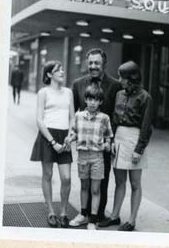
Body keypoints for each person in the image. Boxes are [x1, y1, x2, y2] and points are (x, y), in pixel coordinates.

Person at [98, 61, 153, 231]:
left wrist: (139, 150)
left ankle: (132, 220)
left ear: (131, 78)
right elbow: (114, 120)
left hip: (134, 139)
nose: (120, 80)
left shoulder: (145, 97)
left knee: (135, 183)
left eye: (122, 77)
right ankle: (114, 217)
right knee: (119, 182)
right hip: (119, 139)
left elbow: (146, 127)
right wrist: (112, 140)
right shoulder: (119, 94)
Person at [72, 48, 121, 223]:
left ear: (104, 64)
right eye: (90, 62)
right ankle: (84, 212)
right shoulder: (78, 84)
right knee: (85, 181)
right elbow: (74, 114)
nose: (93, 66)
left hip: (103, 144)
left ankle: (98, 214)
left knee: (103, 179)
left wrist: (112, 140)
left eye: (97, 63)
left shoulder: (115, 85)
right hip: (85, 144)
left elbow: (117, 115)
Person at [30, 60, 74, 228]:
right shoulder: (43, 92)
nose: (62, 71)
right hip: (48, 136)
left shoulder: (68, 92)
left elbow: (71, 117)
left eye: (62, 68)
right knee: (47, 175)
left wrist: (69, 136)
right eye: (58, 70)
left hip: (65, 136)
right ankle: (51, 211)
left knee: (67, 177)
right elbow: (39, 120)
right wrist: (53, 142)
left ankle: (63, 212)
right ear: (49, 74)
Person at [68, 84, 113, 230]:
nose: (92, 102)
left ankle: (92, 220)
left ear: (100, 102)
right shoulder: (78, 116)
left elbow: (108, 137)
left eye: (96, 100)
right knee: (84, 187)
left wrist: (107, 144)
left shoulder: (104, 118)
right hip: (82, 156)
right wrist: (70, 138)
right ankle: (83, 215)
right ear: (86, 100)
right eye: (90, 99)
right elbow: (74, 132)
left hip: (97, 157)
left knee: (95, 189)